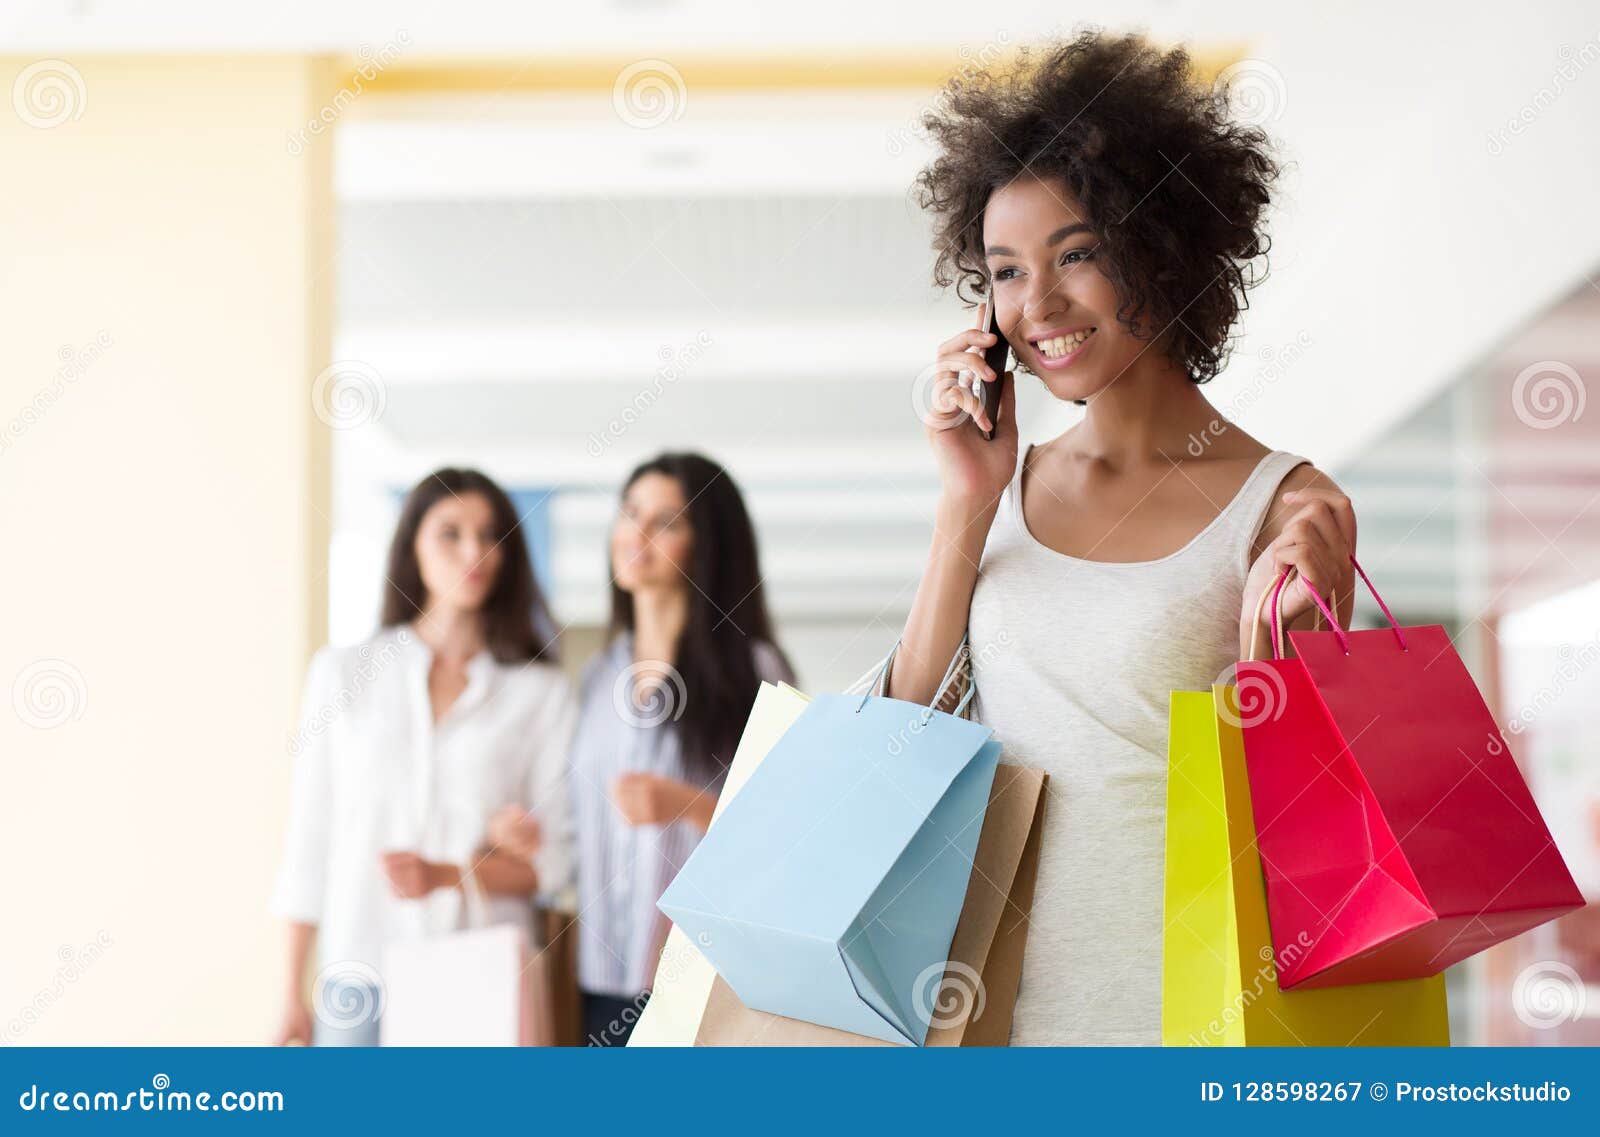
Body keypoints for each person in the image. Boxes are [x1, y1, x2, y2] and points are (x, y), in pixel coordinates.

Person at [882, 32, 1358, 1044]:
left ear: (1160, 246)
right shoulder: (1000, 491)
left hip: (1193, 1020)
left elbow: (1315, 812)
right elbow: (901, 738)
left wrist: (1292, 625)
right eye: (1006, 272)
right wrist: (966, 503)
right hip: (992, 1019)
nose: (1037, 305)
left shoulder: (1284, 505)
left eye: (1078, 255)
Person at [491, 452, 795, 1046]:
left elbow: (787, 834)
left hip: (710, 979)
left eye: (667, 522)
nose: (636, 534)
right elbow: (579, 832)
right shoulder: (598, 678)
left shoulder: (756, 672)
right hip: (602, 977)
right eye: (630, 513)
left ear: (708, 546)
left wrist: (686, 804)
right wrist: (530, 835)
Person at [272, 468, 575, 1046]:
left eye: (490, 535)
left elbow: (553, 866)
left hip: (476, 979)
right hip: (358, 972)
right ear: (412, 543)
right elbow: (308, 844)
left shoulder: (540, 694)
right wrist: (290, 989)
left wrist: (461, 867)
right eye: (451, 532)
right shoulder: (342, 674)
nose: (474, 551)